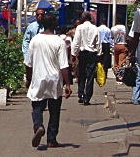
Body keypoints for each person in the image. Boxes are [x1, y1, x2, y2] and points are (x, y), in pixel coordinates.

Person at [24, 12, 72, 149]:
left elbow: (28, 64)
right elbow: (64, 66)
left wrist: (28, 79)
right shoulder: (59, 41)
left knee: (37, 107)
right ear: (54, 24)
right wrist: (67, 84)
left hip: (38, 78)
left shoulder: (35, 40)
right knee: (54, 111)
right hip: (55, 80)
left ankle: (38, 126)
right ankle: (52, 139)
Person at [71, 11, 101, 105]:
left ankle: (81, 94)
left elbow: (76, 41)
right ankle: (87, 97)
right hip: (92, 53)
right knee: (91, 76)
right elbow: (98, 42)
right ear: (91, 19)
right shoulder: (95, 28)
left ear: (82, 19)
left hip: (82, 53)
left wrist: (73, 53)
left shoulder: (79, 28)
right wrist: (99, 54)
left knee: (81, 74)